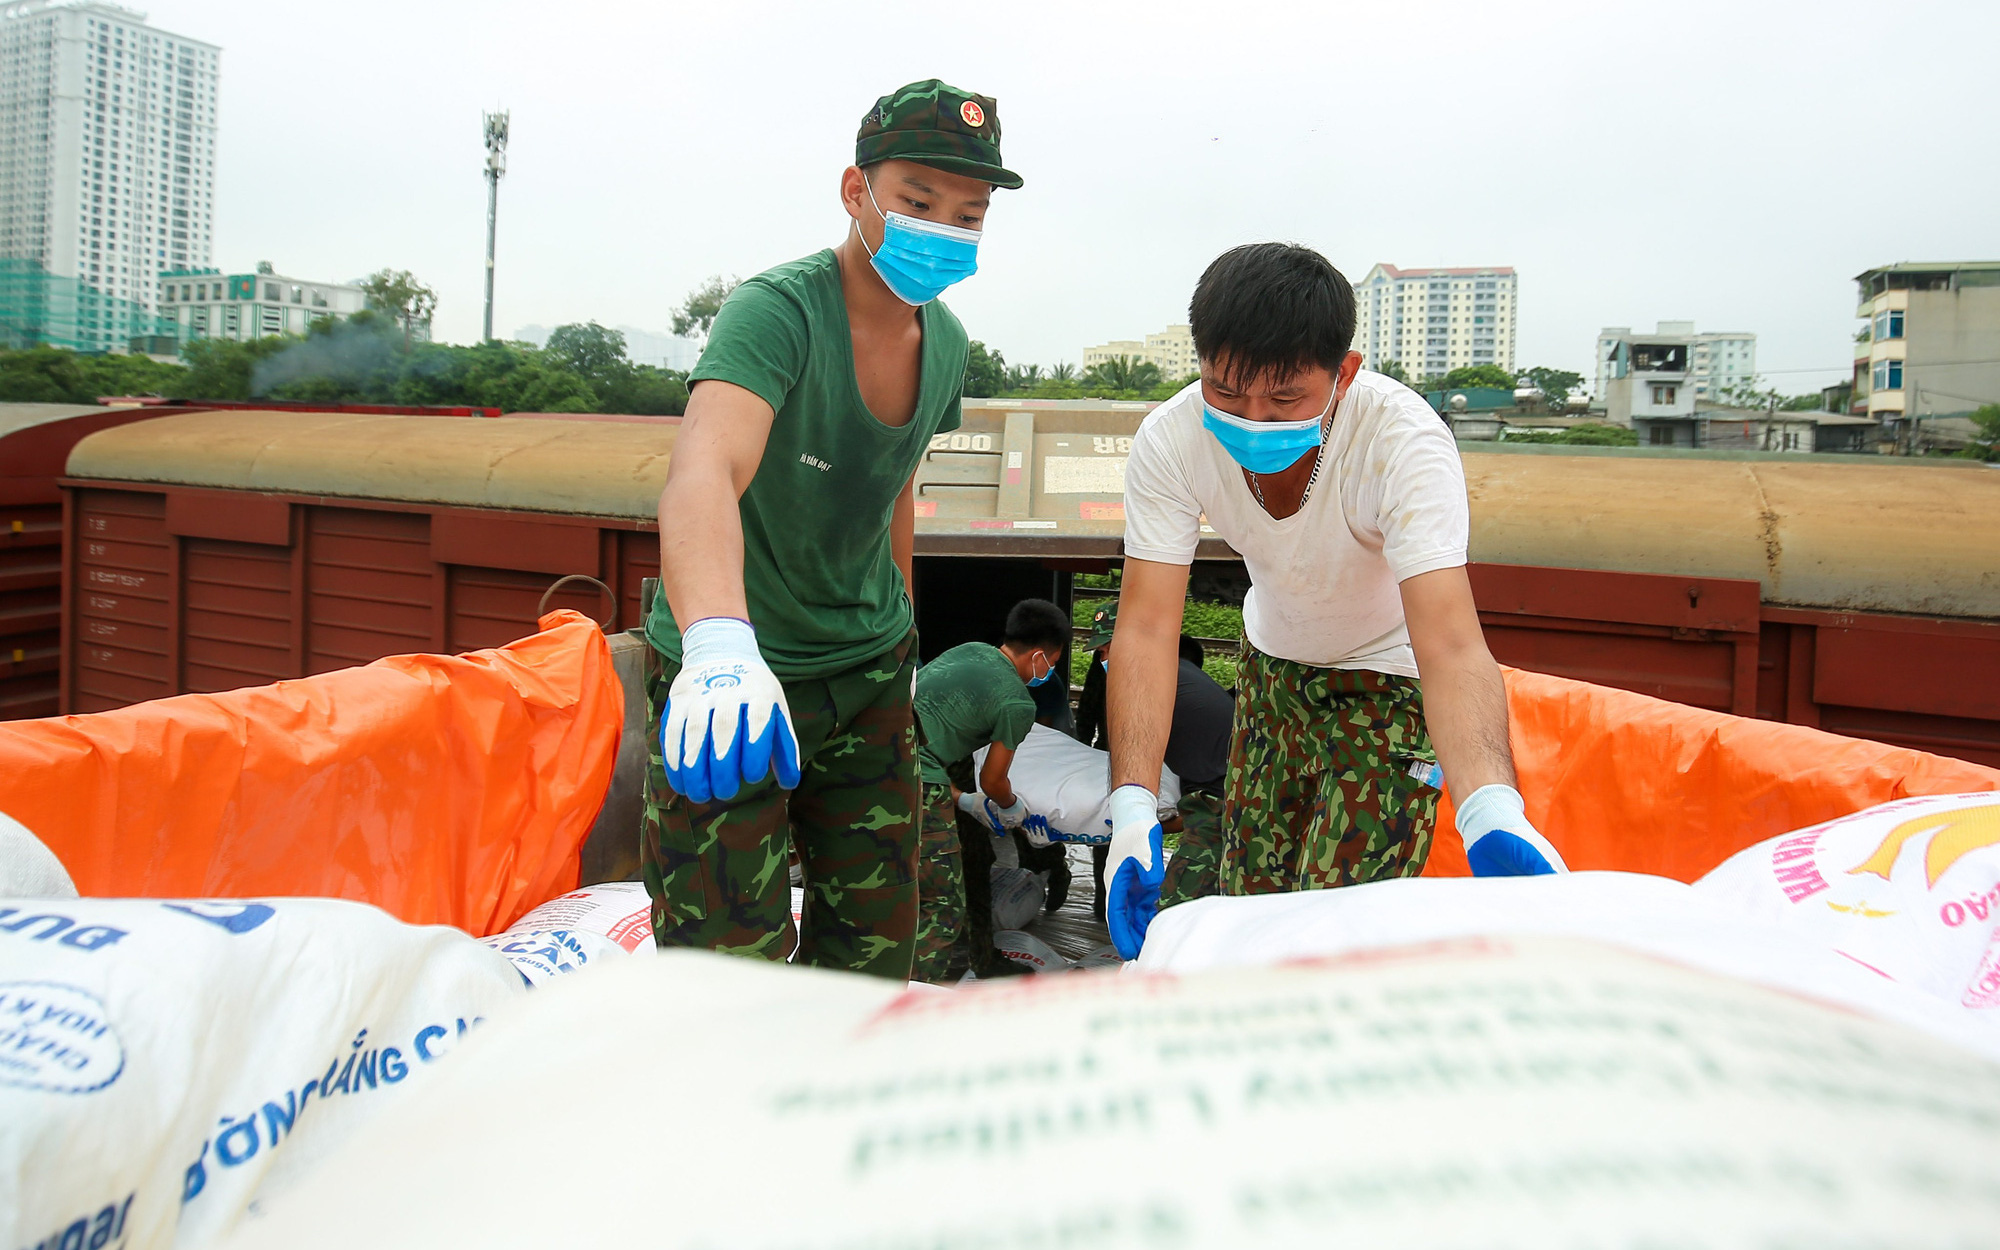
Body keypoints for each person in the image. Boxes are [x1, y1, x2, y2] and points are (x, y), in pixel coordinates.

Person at [641, 80, 1023, 982]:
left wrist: (908, 636)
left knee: (874, 958)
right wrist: (717, 645)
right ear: (857, 191)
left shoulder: (949, 344)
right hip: (740, 677)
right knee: (723, 966)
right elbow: (703, 469)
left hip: (868, 681)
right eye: (919, 202)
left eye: (969, 214)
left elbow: (892, 488)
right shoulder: (779, 313)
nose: (944, 229)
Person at [1101, 243, 1567, 959]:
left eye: (1284, 398)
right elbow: (1146, 628)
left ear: (1344, 373)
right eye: (1227, 392)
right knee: (1249, 906)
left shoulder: (1402, 441)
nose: (1252, 419)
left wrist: (1489, 806)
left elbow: (1449, 643)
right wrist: (1132, 805)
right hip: (1272, 675)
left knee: (1337, 929)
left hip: (1389, 684)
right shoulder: (1173, 438)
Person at [910, 598, 1070, 981]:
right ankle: (909, 992)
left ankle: (983, 957)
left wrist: (964, 801)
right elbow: (993, 781)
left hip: (887, 757)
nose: (1050, 671)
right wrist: (1010, 807)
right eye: (1054, 662)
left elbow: (926, 738)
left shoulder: (971, 651)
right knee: (942, 904)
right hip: (919, 776)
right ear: (1039, 656)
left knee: (969, 859)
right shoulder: (1017, 702)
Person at [1075, 601, 1234, 912]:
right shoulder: (1173, 669)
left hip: (1221, 801)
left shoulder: (1143, 684)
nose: (1102, 660)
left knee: (1175, 906)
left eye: (1106, 650)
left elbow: (1135, 781)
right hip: (1221, 793)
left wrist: (1126, 823)